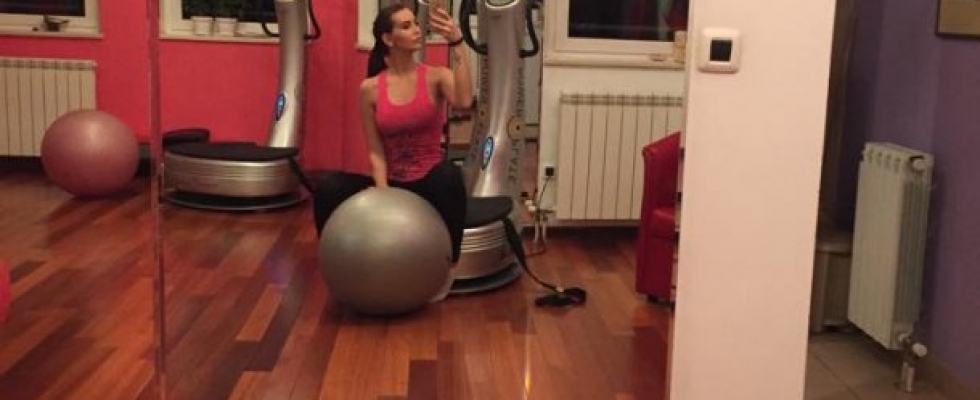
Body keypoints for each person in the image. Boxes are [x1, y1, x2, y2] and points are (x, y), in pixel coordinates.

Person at [312, 3, 473, 301]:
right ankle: (338, 267)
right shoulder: (370, 89)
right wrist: (383, 194)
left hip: (429, 183)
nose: (417, 30)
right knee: (328, 188)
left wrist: (457, 41)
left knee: (450, 175)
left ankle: (448, 265)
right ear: (388, 38)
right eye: (406, 26)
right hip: (392, 182)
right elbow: (375, 150)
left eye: (416, 24)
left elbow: (464, 100)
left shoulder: (436, 77)